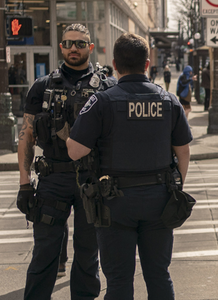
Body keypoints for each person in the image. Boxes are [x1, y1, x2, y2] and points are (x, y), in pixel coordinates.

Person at [66, 33, 192, 299]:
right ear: (147, 64)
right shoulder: (169, 102)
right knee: (159, 275)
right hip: (160, 199)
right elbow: (183, 152)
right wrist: (174, 185)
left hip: (115, 203)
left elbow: (76, 151)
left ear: (114, 64)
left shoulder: (101, 102)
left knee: (119, 281)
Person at [16, 23, 114, 300]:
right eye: (69, 43)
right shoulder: (42, 87)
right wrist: (24, 185)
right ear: (61, 47)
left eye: (80, 44)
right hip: (52, 179)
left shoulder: (107, 87)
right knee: (44, 252)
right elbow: (27, 135)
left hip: (90, 181)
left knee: (87, 254)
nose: (74, 48)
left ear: (90, 48)